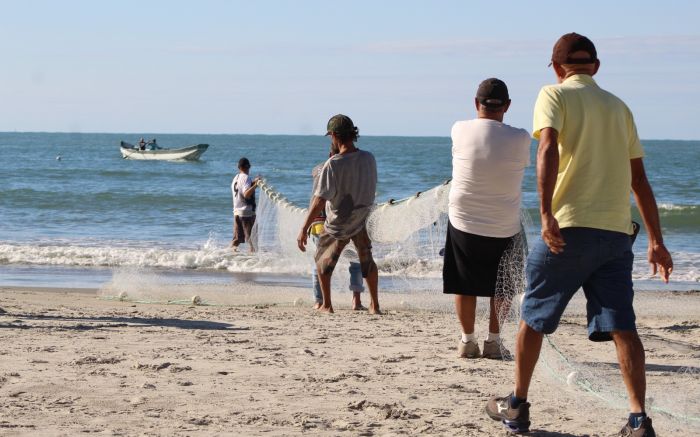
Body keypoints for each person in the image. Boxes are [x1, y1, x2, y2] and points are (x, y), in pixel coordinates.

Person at [485, 33, 673, 436]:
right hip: (616, 236)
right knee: (624, 327)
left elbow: (547, 147)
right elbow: (639, 178)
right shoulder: (620, 107)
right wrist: (656, 240)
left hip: (569, 230)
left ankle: (516, 404)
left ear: (556, 67)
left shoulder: (554, 95)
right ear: (597, 67)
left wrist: (547, 212)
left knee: (532, 318)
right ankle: (638, 419)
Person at [443, 78, 531, 360]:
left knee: (464, 283)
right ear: (507, 106)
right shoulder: (521, 137)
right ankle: (493, 341)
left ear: (475, 103)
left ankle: (467, 341)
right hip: (504, 223)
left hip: (463, 220)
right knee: (502, 285)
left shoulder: (459, 129)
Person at [296, 114, 380, 314]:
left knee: (321, 261)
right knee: (366, 261)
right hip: (362, 219)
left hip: (338, 223)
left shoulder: (333, 164)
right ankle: (375, 305)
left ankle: (327, 305)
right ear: (353, 134)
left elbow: (319, 200)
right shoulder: (369, 158)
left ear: (334, 135)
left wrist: (304, 228)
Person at [309, 155, 366, 311]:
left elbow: (317, 195)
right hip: (342, 222)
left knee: (320, 262)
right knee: (355, 261)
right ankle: (356, 300)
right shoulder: (340, 170)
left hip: (317, 221)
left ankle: (319, 301)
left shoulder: (318, 169)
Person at [231, 157, 259, 252]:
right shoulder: (246, 178)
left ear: (239, 167)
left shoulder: (236, 178)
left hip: (236, 213)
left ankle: (229, 259)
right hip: (246, 213)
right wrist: (255, 185)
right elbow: (246, 194)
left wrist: (253, 183)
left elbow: (241, 188)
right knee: (253, 241)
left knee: (236, 240)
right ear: (248, 166)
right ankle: (252, 263)